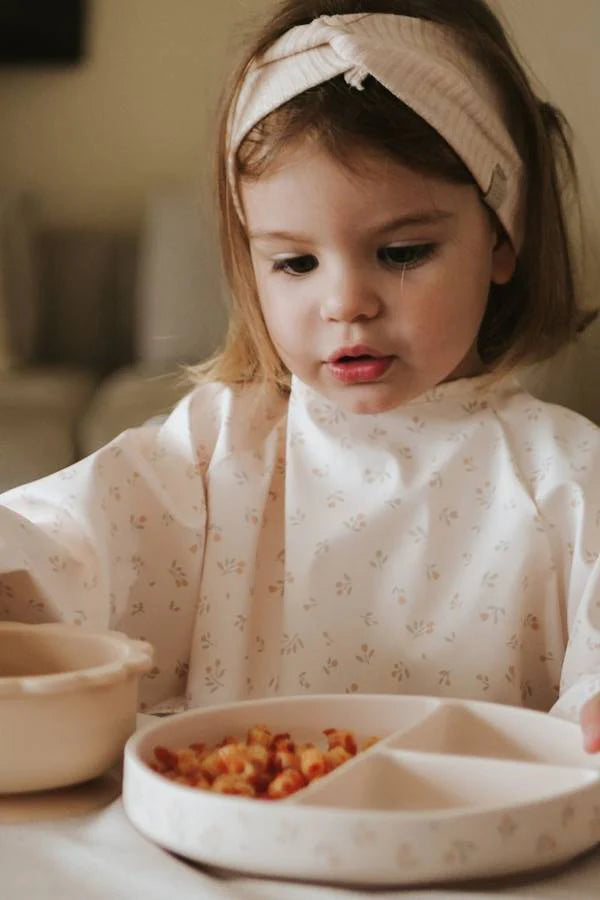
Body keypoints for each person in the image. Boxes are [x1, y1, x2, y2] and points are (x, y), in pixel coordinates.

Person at [2, 0, 600, 749]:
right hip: (231, 836)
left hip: (467, 851)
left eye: (403, 251)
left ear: (502, 238)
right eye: (295, 262)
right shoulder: (219, 448)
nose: (346, 302)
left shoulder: (565, 474)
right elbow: (62, 544)